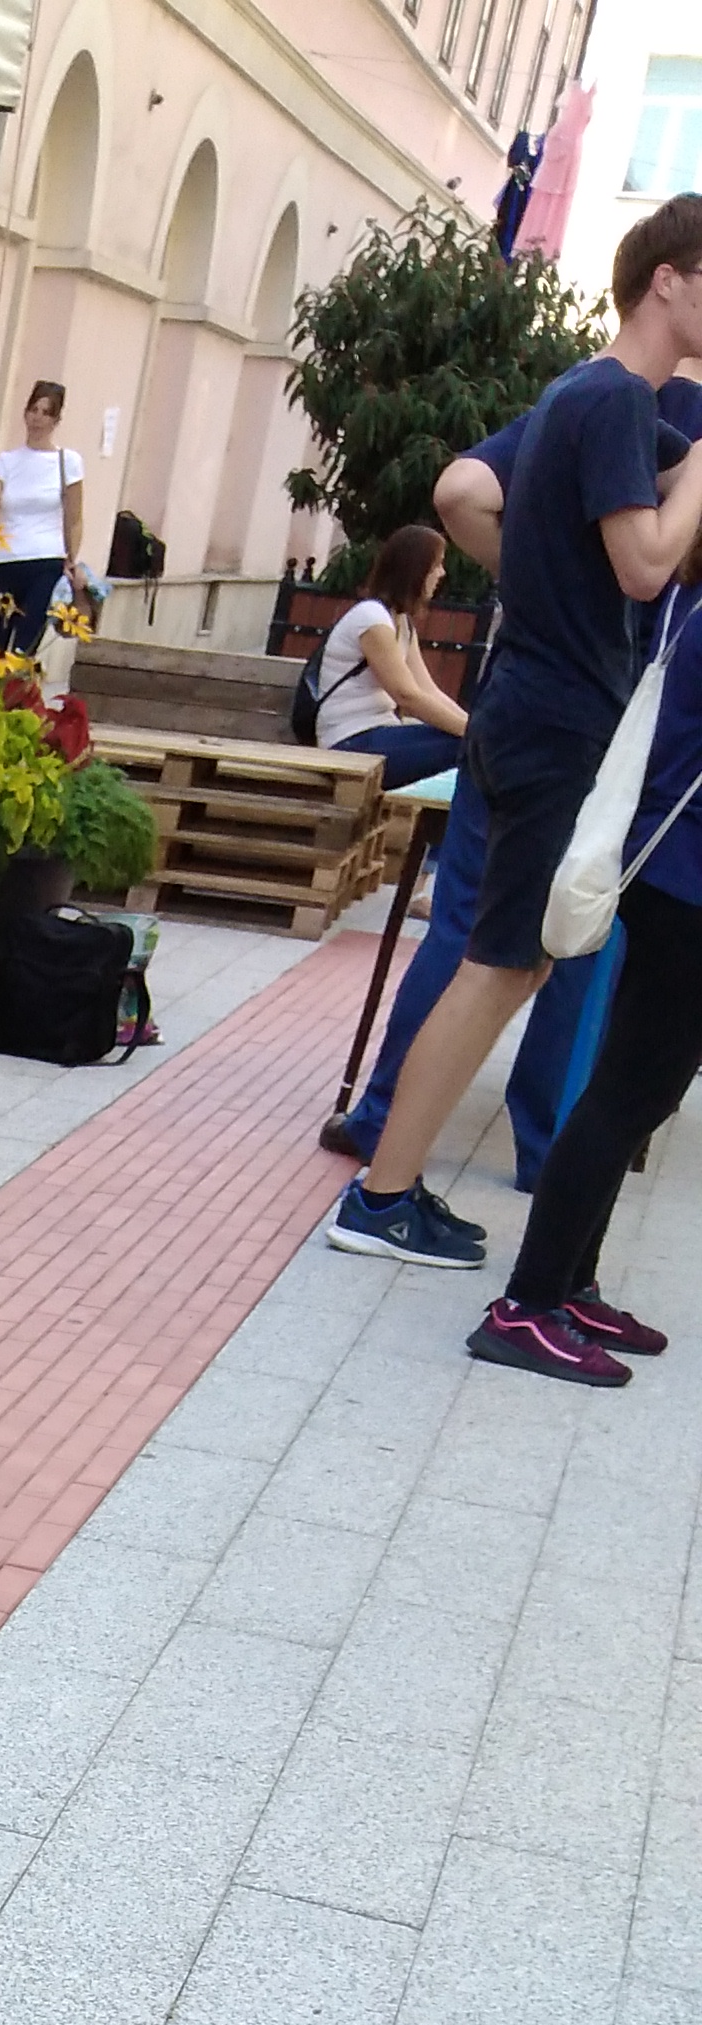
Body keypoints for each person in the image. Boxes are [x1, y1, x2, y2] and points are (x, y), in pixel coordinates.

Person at [331, 196, 702, 1266]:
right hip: (556, 721)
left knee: (513, 963)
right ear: (668, 281)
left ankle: (389, 1186)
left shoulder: (591, 398)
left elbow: (627, 503)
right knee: (502, 965)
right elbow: (648, 563)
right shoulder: (613, 399)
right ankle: (381, 1197)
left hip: (528, 711)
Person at [467, 560, 702, 1379]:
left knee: (638, 1094)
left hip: (670, 870)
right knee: (627, 1096)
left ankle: (570, 1284)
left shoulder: (687, 595)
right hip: (687, 879)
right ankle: (524, 1308)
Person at [305, 521, 468, 786]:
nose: (442, 573)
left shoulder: (401, 623)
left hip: (378, 735)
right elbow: (407, 696)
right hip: (350, 743)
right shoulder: (372, 619)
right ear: (416, 569)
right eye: (436, 564)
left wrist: (475, 728)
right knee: (470, 750)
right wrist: (477, 736)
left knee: (474, 747)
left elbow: (428, 690)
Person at [0, 381, 86, 658]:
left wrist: (72, 559)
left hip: (45, 562)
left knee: (24, 648)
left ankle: (19, 686)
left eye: (46, 412)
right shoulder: (6, 462)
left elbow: (75, 519)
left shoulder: (68, 462)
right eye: (34, 409)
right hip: (4, 562)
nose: (37, 418)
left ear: (56, 420)